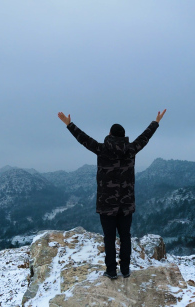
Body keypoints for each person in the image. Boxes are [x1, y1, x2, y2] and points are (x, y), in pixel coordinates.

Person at [58, 109, 167, 279]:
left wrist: (69, 124)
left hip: (106, 204)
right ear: (123, 136)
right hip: (126, 203)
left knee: (109, 238)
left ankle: (111, 271)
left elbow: (84, 139)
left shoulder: (102, 149)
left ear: (110, 134)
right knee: (125, 237)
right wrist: (156, 122)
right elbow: (145, 137)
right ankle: (125, 270)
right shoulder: (131, 149)